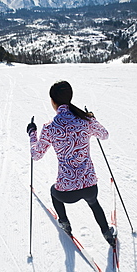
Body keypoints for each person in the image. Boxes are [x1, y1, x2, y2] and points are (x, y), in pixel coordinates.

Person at [27, 81, 116, 247]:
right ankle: (107, 233)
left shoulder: (50, 127)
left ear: (53, 101)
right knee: (94, 203)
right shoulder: (85, 121)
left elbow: (36, 155)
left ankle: (65, 223)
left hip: (66, 193)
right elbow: (104, 135)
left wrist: (32, 133)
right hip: (90, 186)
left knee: (54, 191)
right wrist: (92, 119)